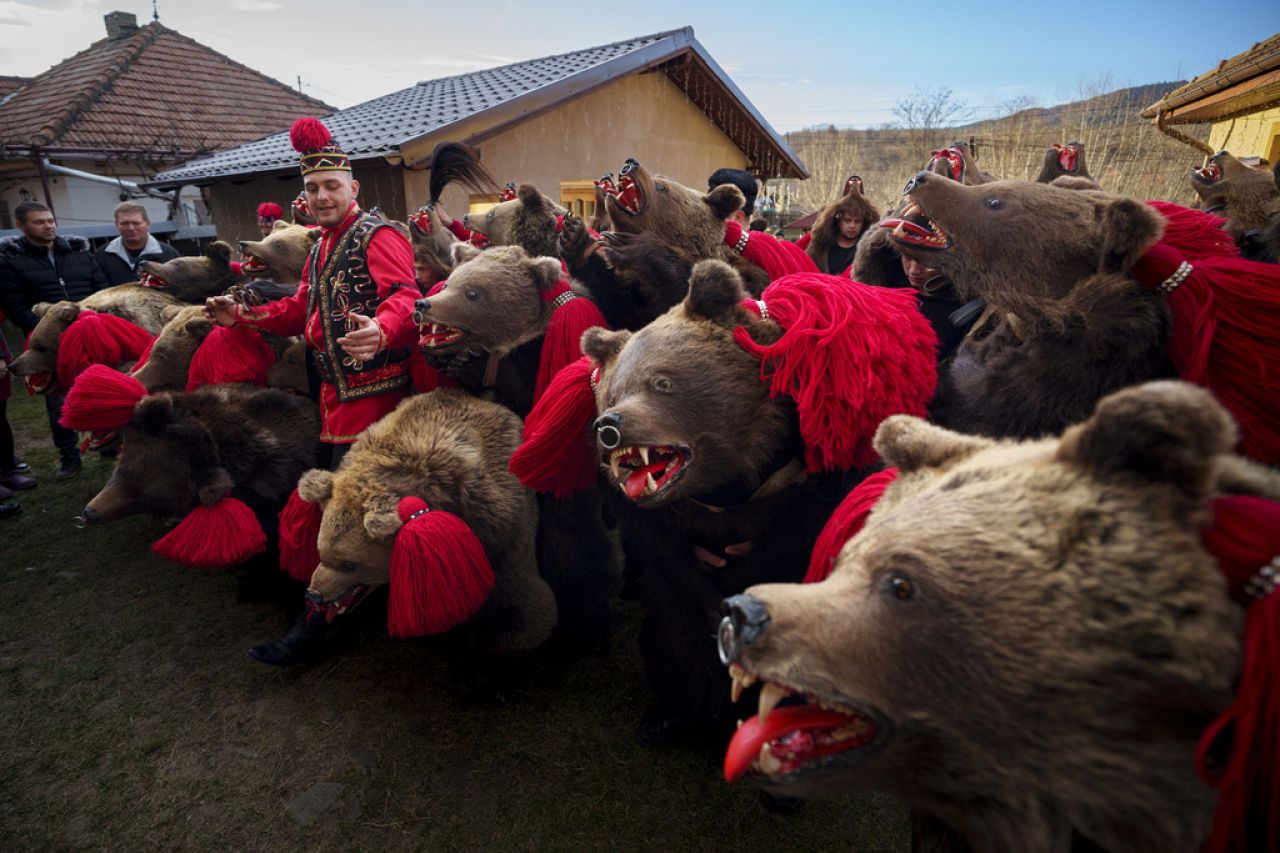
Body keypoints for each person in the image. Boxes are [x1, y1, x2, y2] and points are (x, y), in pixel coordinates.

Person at [205, 117, 420, 473]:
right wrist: (240, 314)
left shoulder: (377, 235)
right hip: (331, 390)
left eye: (331, 186)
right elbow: (302, 309)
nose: (321, 196)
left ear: (353, 189)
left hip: (375, 396)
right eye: (312, 187)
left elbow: (407, 296)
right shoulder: (320, 246)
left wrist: (381, 328)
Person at [0, 201, 108, 477]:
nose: (48, 225)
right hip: (50, 347)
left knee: (107, 390)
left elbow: (102, 290)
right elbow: (16, 307)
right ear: (21, 226)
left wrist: (95, 323)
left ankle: (109, 442)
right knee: (59, 400)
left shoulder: (79, 252)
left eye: (50, 220)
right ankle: (69, 457)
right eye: (39, 222)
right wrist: (52, 335)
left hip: (93, 336)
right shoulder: (11, 262)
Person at [94, 201, 180, 286]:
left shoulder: (169, 255)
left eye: (136, 223)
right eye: (124, 223)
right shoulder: (102, 256)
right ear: (116, 225)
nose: (131, 228)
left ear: (147, 223)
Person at [799, 190, 880, 275]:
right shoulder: (819, 246)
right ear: (838, 220)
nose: (852, 226)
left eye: (857, 221)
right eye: (847, 220)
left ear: (864, 223)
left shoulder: (869, 250)